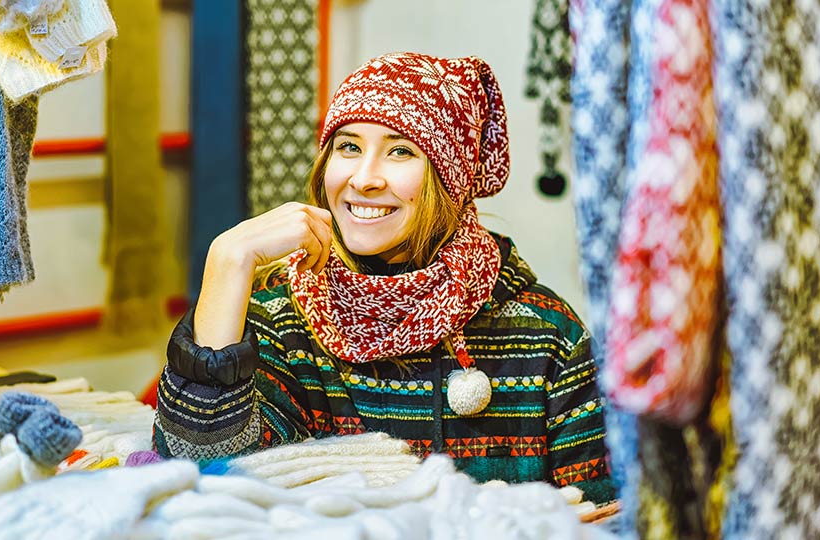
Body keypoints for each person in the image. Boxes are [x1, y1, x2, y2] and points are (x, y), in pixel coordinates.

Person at [154, 52, 615, 504]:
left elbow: (606, 517)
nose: (364, 178)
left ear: (449, 176)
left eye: (400, 150)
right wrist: (226, 263)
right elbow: (199, 478)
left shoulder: (547, 336)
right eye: (349, 146)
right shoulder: (282, 322)